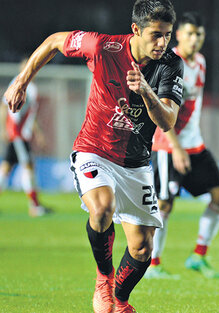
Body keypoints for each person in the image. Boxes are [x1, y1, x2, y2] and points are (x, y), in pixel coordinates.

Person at [3, 1, 183, 312]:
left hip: (136, 163)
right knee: (102, 209)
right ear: (136, 30)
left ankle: (121, 301)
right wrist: (21, 80)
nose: (162, 43)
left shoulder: (170, 64)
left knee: (142, 249)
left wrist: (145, 92)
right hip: (94, 150)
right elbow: (55, 41)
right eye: (156, 35)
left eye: (167, 35)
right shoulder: (104, 47)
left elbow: (167, 121)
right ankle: (103, 279)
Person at [145, 12, 219, 280]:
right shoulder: (168, 64)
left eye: (199, 34)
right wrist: (177, 148)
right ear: (178, 35)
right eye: (190, 33)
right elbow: (160, 111)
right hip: (169, 146)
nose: (195, 39)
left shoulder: (201, 62)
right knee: (164, 204)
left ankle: (198, 256)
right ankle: (153, 264)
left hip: (195, 145)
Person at [0, 59, 51, 217]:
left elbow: (30, 115)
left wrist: (38, 133)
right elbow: (4, 106)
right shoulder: (19, 83)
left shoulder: (31, 87)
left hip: (21, 134)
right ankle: (35, 206)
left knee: (7, 168)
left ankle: (35, 205)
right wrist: (4, 129)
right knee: (28, 167)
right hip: (18, 134)